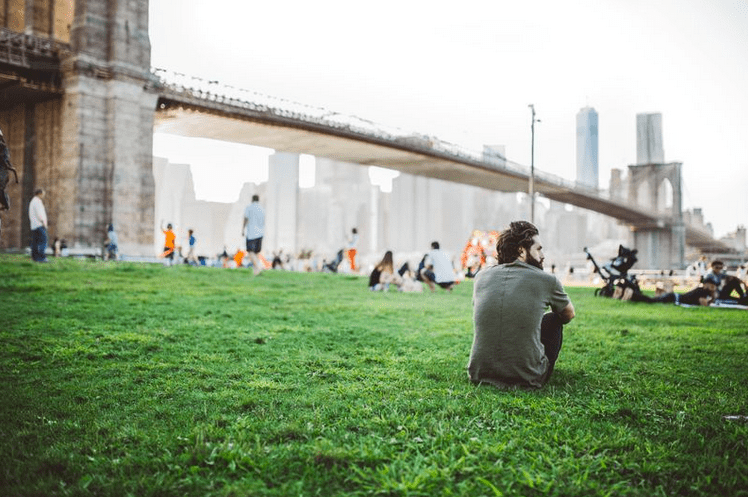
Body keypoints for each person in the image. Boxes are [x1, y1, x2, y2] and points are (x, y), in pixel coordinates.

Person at [467, 221, 575, 389]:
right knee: (553, 320)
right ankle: (531, 367)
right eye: (538, 249)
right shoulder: (546, 280)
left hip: (479, 373)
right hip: (528, 377)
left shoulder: (481, 277)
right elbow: (568, 315)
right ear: (521, 250)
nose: (543, 255)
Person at [633, 274, 719, 306]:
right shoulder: (702, 291)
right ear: (707, 284)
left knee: (652, 301)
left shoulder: (701, 289)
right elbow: (704, 304)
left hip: (673, 297)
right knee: (651, 301)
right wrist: (713, 297)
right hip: (673, 297)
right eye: (712, 285)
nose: (714, 287)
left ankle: (634, 295)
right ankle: (633, 295)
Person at [243, 194, 265, 275]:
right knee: (256, 253)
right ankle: (256, 271)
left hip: (251, 233)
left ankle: (259, 267)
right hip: (260, 233)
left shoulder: (249, 207)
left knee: (250, 251)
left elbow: (245, 219)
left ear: (252, 199)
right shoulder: (262, 209)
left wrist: (242, 229)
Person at [28, 188, 48, 262]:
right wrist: (43, 222)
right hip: (39, 224)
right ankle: (41, 257)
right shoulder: (37, 201)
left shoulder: (33, 201)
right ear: (39, 193)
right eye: (43, 194)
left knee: (35, 242)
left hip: (34, 225)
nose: (43, 195)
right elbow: (39, 213)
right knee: (43, 241)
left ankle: (35, 258)